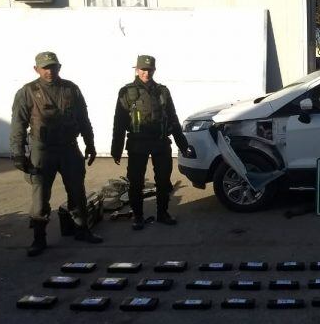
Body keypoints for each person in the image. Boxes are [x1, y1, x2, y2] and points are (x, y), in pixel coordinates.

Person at [10, 51, 102, 256]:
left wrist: (90, 144)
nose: (49, 71)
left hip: (69, 148)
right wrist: (17, 153)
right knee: (40, 197)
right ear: (37, 69)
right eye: (45, 67)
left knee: (77, 191)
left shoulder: (71, 89)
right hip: (42, 151)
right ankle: (39, 239)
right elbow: (18, 124)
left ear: (59, 67)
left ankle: (82, 229)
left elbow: (84, 118)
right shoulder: (28, 91)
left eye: (53, 67)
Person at [111, 55, 192, 230]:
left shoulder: (162, 91)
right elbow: (119, 121)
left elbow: (172, 118)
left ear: (154, 70)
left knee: (163, 181)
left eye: (149, 70)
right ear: (136, 70)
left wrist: (182, 144)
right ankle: (138, 217)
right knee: (136, 182)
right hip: (137, 144)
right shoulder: (126, 92)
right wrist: (116, 149)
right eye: (142, 69)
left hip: (160, 142)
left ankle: (162, 213)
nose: (146, 73)